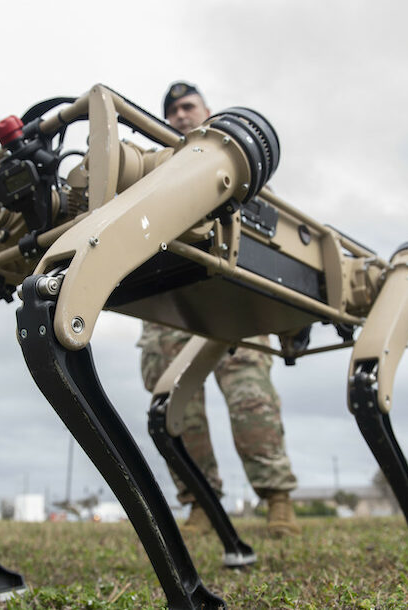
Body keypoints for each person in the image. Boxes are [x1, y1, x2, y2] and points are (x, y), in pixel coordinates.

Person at [137, 81, 299, 538]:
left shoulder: (242, 164)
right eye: (172, 112)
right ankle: (200, 503)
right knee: (175, 405)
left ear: (208, 111)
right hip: (169, 296)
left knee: (251, 398)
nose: (180, 115)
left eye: (188, 107)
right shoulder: (155, 169)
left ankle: (278, 500)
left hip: (233, 296)